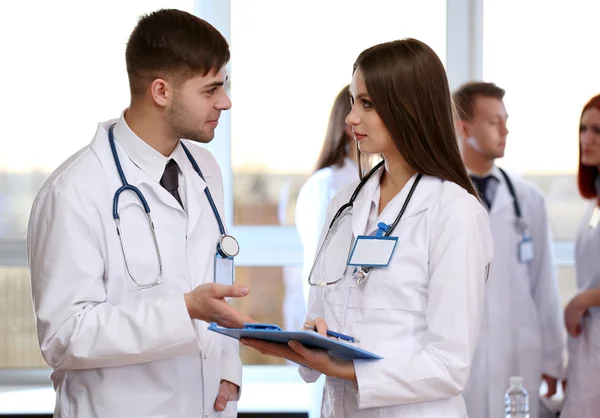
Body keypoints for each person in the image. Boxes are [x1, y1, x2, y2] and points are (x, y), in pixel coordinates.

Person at [241, 38, 493, 417]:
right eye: (354, 102)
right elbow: (321, 310)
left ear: (409, 109)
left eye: (367, 104)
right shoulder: (345, 202)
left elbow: (449, 364)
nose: (350, 118)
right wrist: (308, 344)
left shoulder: (453, 211)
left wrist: (348, 370)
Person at [27, 9, 253, 418]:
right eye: (211, 89)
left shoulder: (206, 171)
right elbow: (63, 336)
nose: (226, 101)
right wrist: (183, 310)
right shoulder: (74, 191)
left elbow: (213, 286)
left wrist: (227, 366)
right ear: (162, 91)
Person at [453, 81, 565, 418]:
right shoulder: (441, 196)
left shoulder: (528, 200)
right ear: (464, 126)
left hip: (519, 351)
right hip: (461, 355)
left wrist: (553, 357)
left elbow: (545, 284)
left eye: (505, 120)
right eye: (493, 122)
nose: (505, 130)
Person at [294, 84, 358, 305]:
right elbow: (319, 264)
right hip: (330, 319)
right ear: (350, 123)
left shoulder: (372, 181)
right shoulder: (327, 184)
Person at [560, 94, 600, 418]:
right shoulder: (593, 203)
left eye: (598, 131)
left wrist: (580, 301)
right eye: (584, 129)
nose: (587, 138)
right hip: (588, 345)